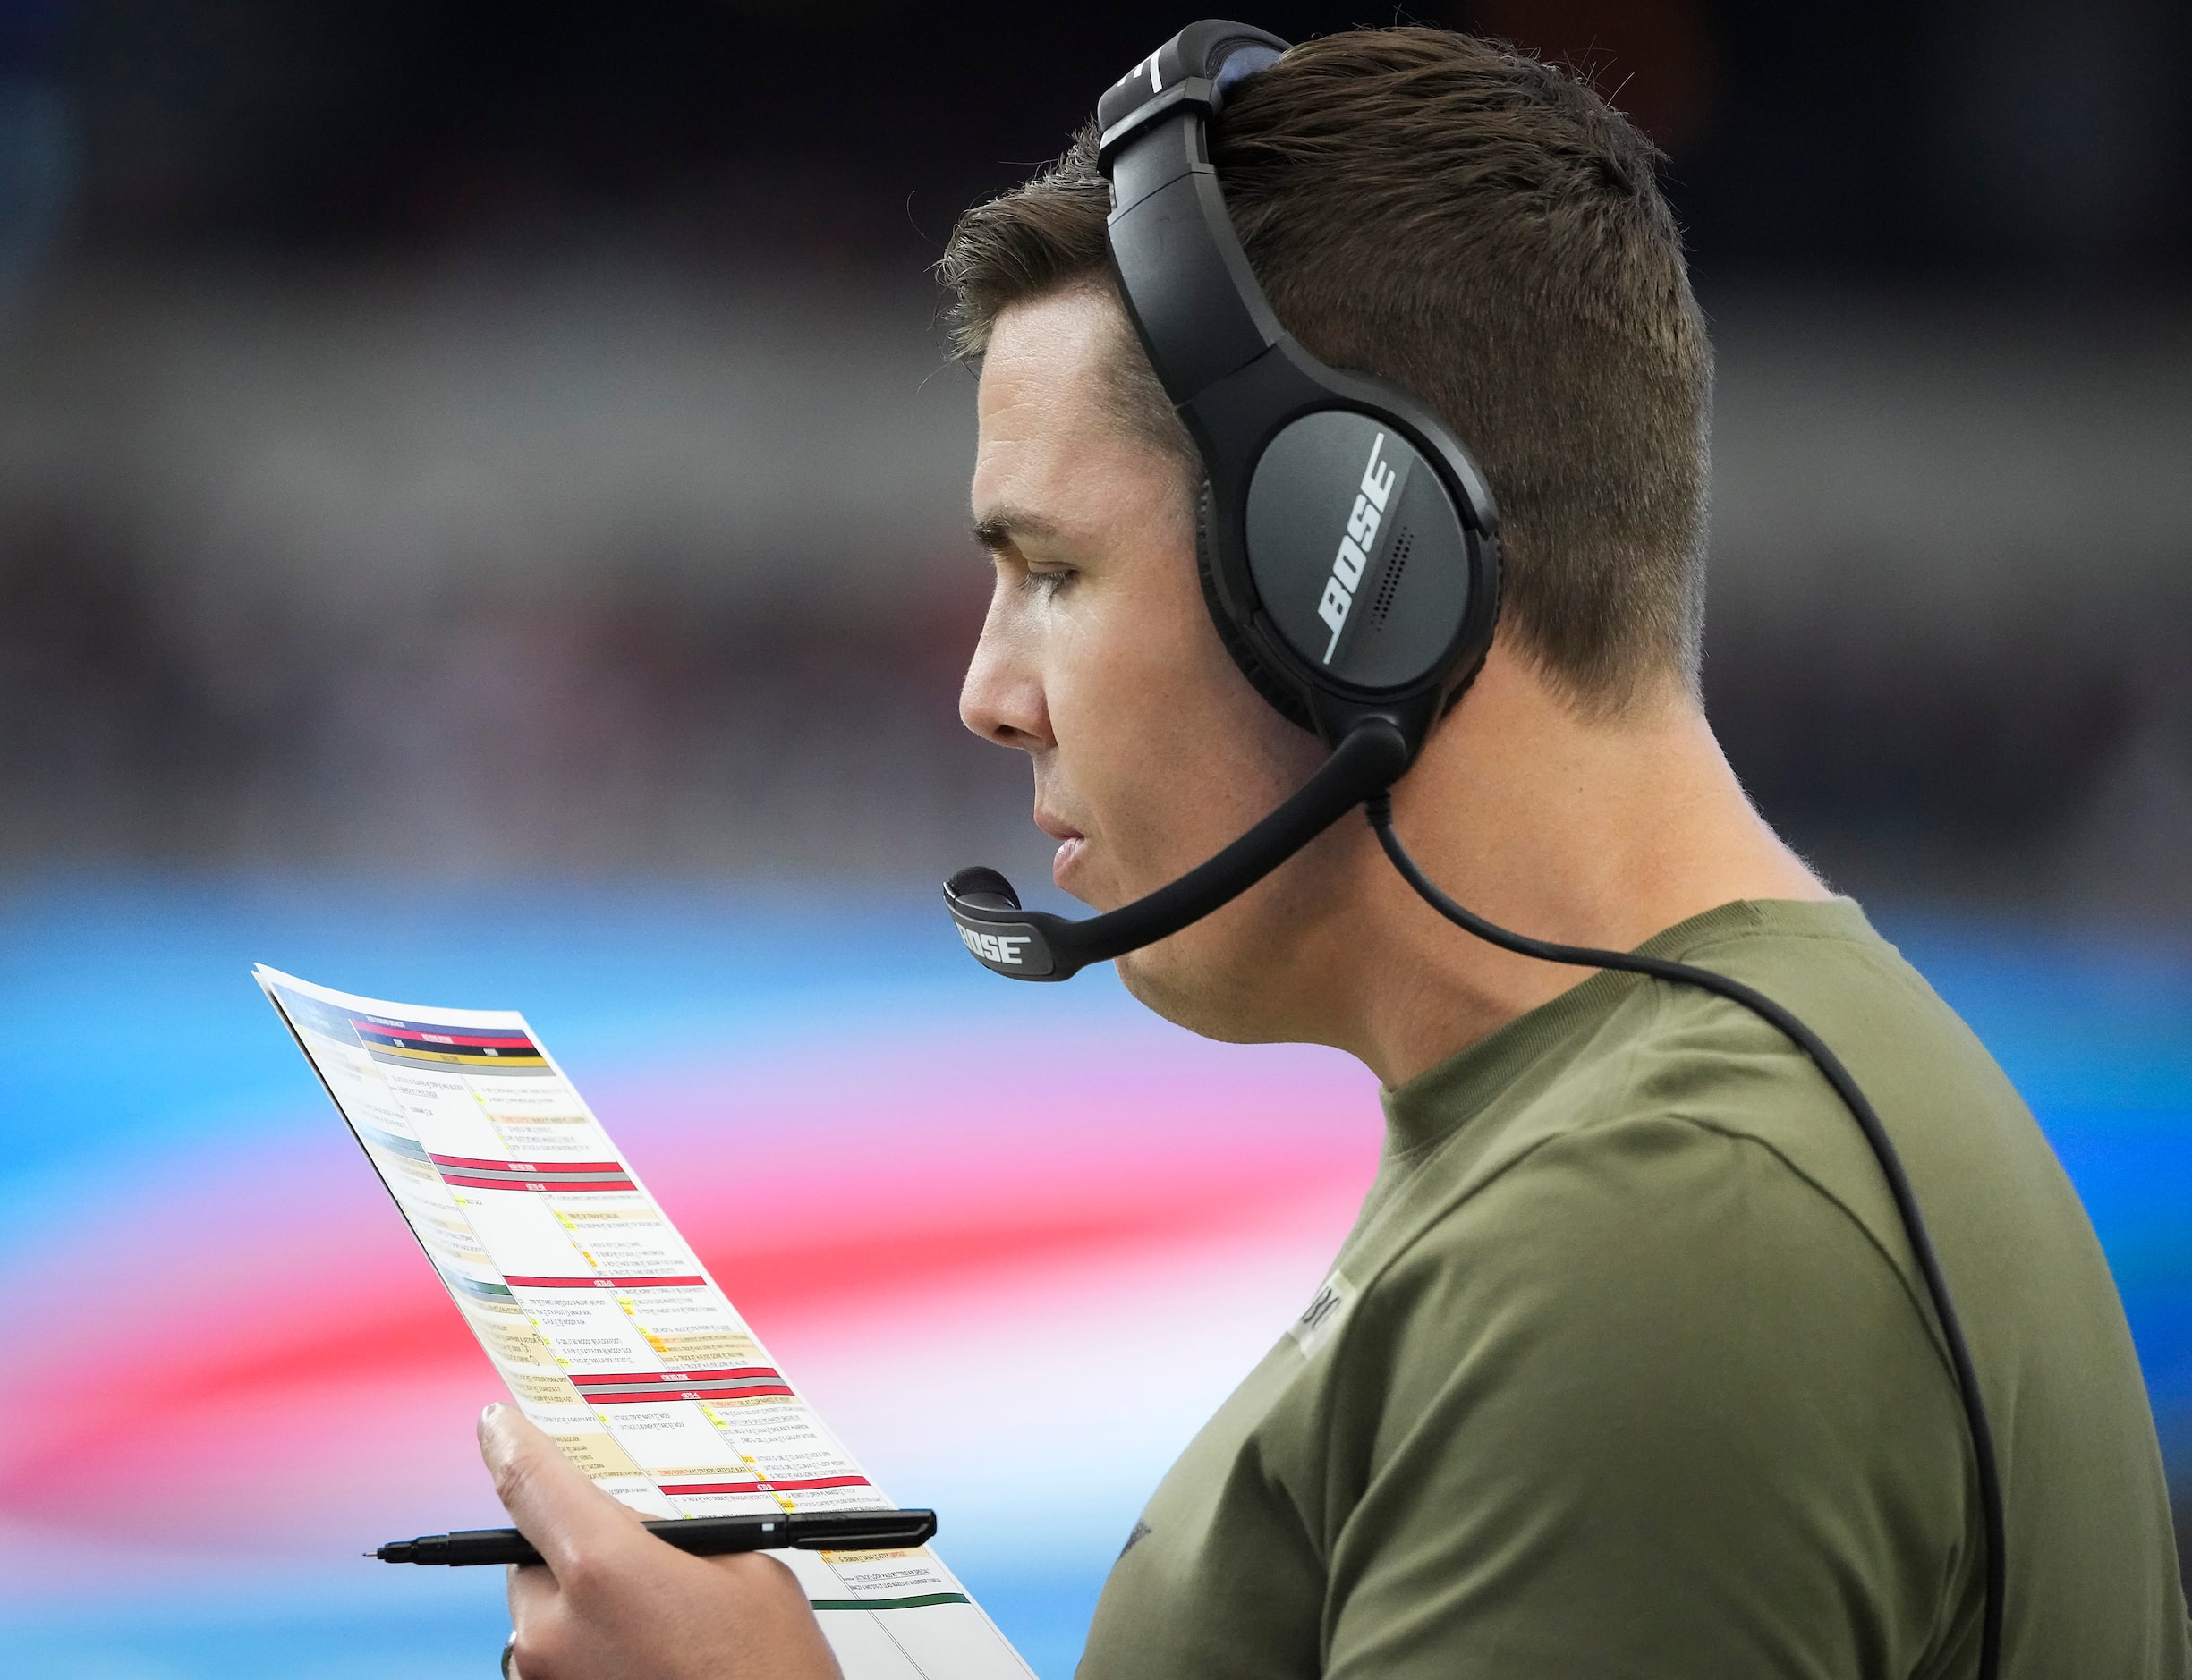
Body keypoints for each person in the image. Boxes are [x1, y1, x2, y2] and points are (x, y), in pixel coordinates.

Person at [476, 25, 2192, 1679]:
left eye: (1055, 574)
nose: (988, 694)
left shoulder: (1669, 1241)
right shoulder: (1626, 1133)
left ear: (1352, 578)